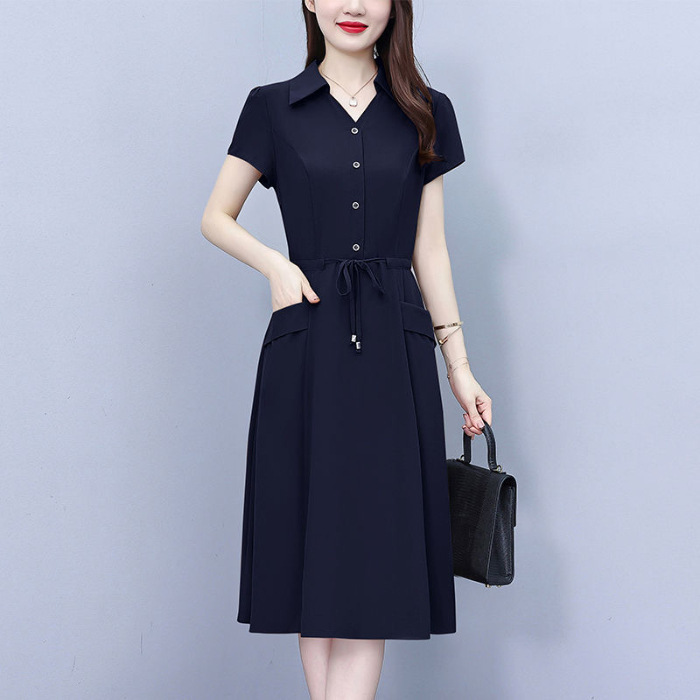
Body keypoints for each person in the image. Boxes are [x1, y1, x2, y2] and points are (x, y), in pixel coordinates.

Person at [201, 1, 492, 697]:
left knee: (374, 556)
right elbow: (216, 215)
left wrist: (459, 367)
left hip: (395, 349)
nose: (353, 6)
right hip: (307, 344)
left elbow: (430, 250)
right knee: (319, 549)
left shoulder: (427, 111)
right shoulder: (272, 107)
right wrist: (276, 266)